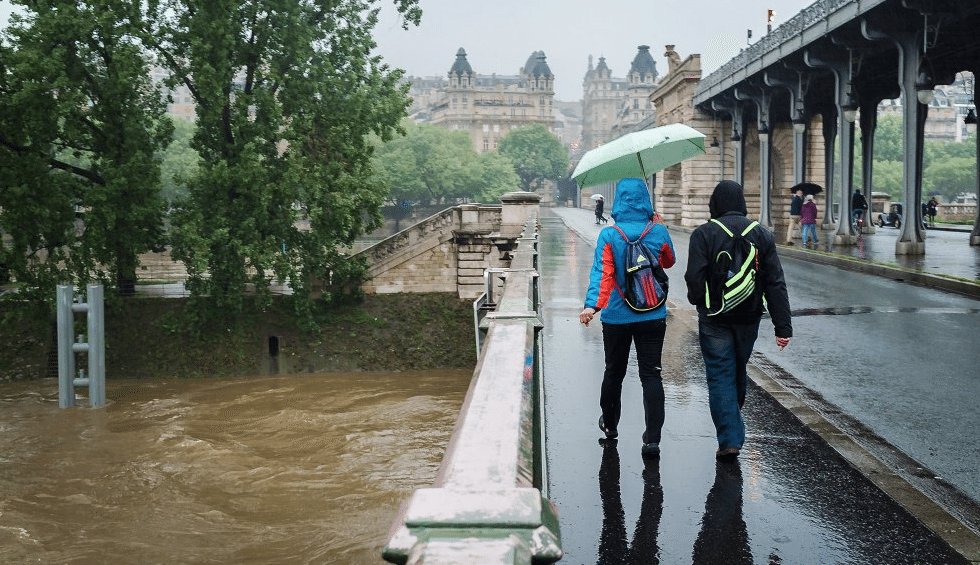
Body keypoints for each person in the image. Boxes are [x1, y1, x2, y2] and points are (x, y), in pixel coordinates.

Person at [684, 180, 792, 461]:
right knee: (737, 370)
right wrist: (783, 326)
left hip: (714, 317)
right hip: (749, 317)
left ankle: (729, 438)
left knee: (720, 375)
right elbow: (775, 282)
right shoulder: (762, 235)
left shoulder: (704, 234)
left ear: (715, 203)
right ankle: (733, 425)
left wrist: (700, 302)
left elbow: (694, 278)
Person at [580, 177, 675, 457]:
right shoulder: (657, 231)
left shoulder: (610, 235)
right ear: (645, 200)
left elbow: (603, 274)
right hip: (652, 314)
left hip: (617, 317)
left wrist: (592, 306)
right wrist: (656, 225)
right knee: (651, 375)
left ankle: (610, 425)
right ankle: (652, 439)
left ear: (619, 201)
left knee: (614, 372)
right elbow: (668, 261)